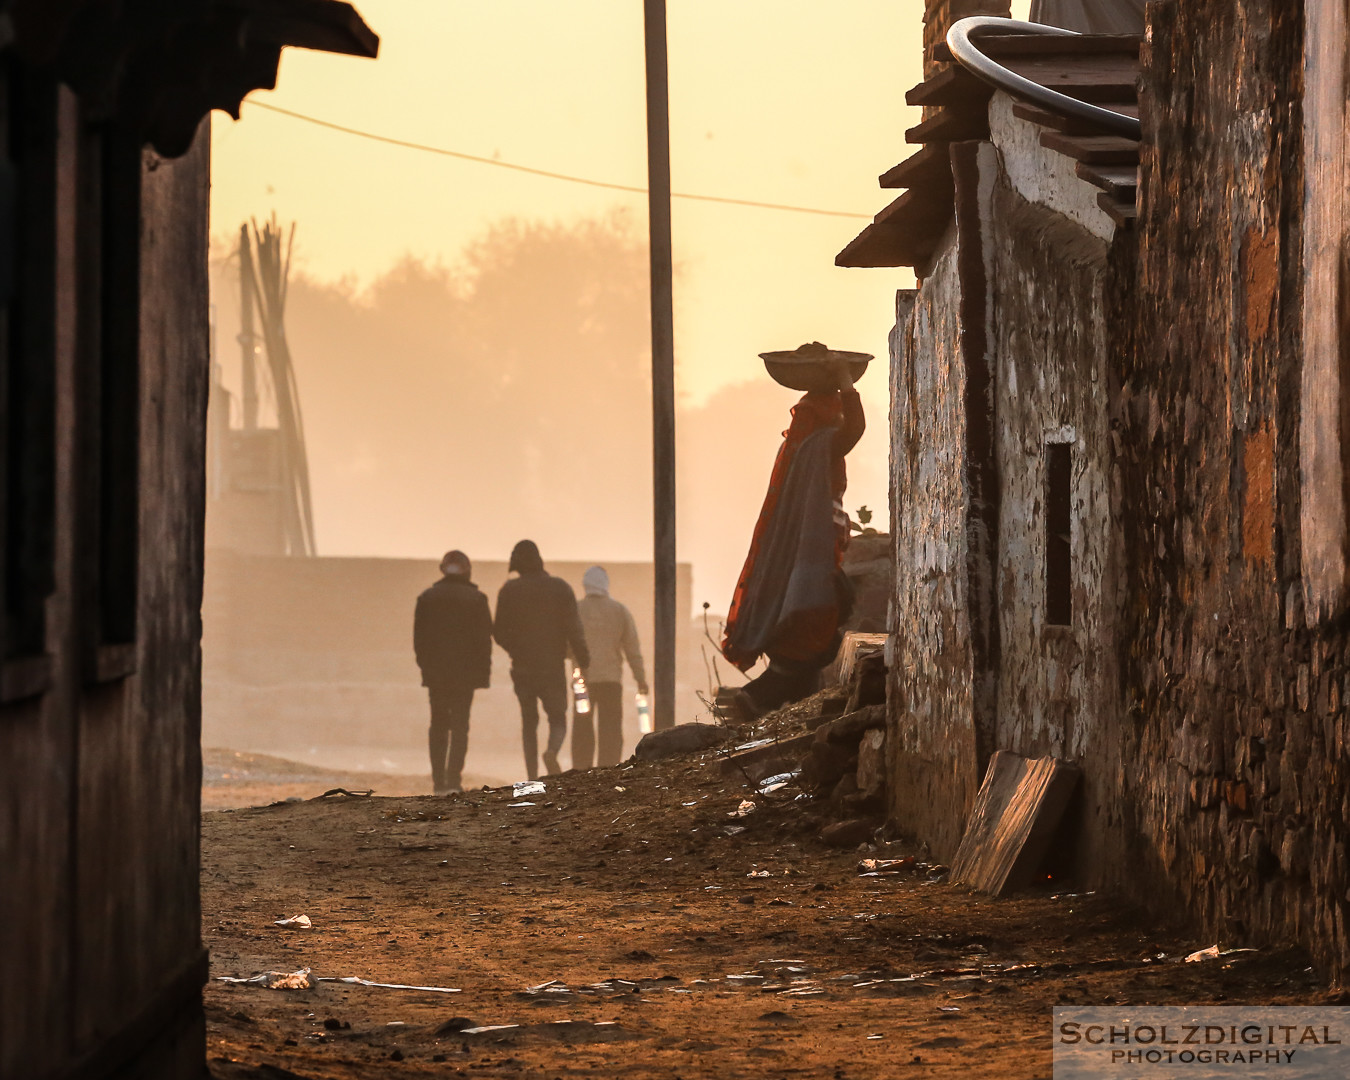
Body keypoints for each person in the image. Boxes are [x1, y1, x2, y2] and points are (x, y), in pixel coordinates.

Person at [722, 355, 865, 716]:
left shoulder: (800, 447)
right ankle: (759, 698)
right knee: (816, 629)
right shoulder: (822, 444)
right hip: (813, 559)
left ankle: (785, 707)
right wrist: (847, 382)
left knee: (814, 639)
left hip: (810, 555)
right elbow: (856, 429)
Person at [493, 539, 590, 779]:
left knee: (529, 721)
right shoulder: (560, 588)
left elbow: (498, 632)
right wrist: (583, 658)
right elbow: (574, 629)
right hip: (552, 666)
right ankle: (552, 751)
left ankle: (532, 776)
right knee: (557, 717)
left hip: (523, 667)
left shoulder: (509, 590)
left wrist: (516, 649)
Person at [413, 550, 493, 795]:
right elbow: (484, 641)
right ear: (467, 570)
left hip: (436, 674)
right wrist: (483, 675)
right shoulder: (477, 599)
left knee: (438, 724)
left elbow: (419, 641)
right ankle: (453, 780)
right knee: (460, 726)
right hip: (465, 675)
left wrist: (426, 667)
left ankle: (438, 781)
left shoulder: (427, 598)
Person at [573, 566, 649, 769]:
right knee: (611, 729)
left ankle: (581, 769)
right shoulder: (619, 611)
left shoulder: (576, 610)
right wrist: (640, 678)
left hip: (582, 683)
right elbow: (632, 649)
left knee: (582, 728)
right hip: (611, 682)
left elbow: (565, 645)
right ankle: (607, 768)